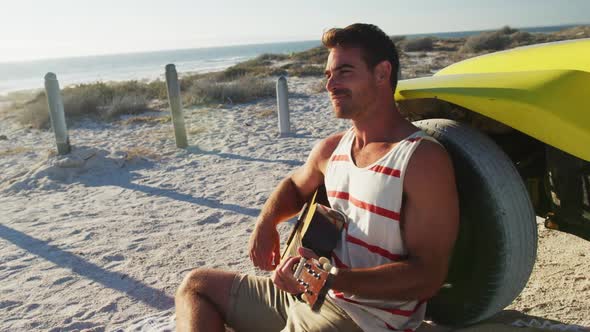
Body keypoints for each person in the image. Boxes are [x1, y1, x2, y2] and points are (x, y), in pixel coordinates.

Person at [175, 23, 459, 332]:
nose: (331, 85)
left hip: (361, 317)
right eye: (328, 75)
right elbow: (294, 187)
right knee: (196, 286)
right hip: (302, 295)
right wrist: (266, 222)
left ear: (382, 73)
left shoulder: (419, 159)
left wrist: (333, 279)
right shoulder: (332, 148)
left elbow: (428, 276)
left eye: (344, 72)